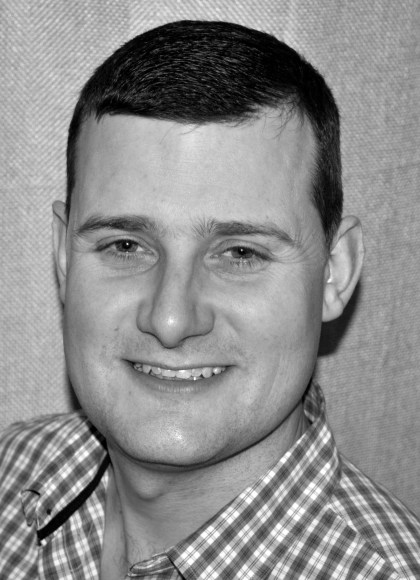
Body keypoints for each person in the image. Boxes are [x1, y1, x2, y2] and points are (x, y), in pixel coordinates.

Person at [0, 19, 419, 579]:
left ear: (334, 274)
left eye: (240, 253)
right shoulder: (14, 470)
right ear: (62, 255)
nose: (171, 319)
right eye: (126, 245)